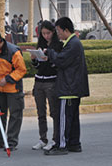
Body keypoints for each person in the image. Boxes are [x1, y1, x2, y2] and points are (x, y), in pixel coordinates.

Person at [44, 17, 89, 155]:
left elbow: (61, 60)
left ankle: (61, 145)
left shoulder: (73, 44)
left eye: (58, 30)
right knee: (73, 117)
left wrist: (49, 52)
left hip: (68, 88)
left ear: (65, 30)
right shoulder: (73, 43)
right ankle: (74, 143)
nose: (57, 34)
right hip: (73, 87)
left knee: (63, 118)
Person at [0, 28, 27, 151]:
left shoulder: (13, 51)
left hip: (13, 89)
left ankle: (11, 142)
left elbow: (21, 69)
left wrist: (8, 79)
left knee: (15, 116)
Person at [31, 20, 63, 150]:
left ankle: (55, 139)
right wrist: (34, 60)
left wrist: (49, 58)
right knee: (40, 112)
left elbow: (59, 65)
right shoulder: (41, 44)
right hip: (39, 81)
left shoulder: (58, 46)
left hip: (51, 81)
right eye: (43, 33)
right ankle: (42, 138)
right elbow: (38, 67)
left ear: (53, 32)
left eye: (48, 33)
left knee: (54, 112)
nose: (46, 36)